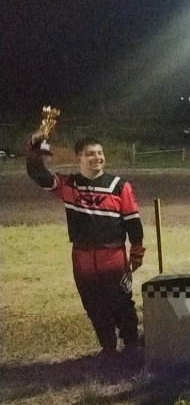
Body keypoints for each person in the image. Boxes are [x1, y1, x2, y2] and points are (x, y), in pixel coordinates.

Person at [26, 135, 145, 360]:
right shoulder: (69, 184)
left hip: (113, 255)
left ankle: (132, 346)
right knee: (93, 305)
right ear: (79, 157)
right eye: (90, 154)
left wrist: (137, 251)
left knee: (121, 302)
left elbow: (132, 221)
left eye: (99, 153)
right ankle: (108, 348)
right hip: (82, 257)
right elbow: (38, 174)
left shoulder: (119, 186)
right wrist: (35, 148)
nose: (97, 158)